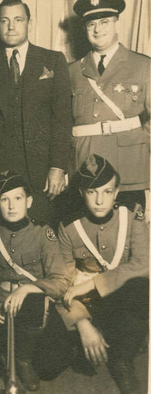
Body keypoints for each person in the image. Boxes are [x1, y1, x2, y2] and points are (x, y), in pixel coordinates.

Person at [0, 0, 72, 224]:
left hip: (41, 172)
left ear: (29, 23)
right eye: (4, 21)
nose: (11, 26)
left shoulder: (52, 61)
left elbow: (62, 120)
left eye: (18, 19)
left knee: (41, 237)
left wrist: (58, 166)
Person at [57, 154, 149, 394]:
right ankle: (94, 337)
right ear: (81, 193)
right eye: (92, 192)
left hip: (121, 296)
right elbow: (62, 281)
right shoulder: (69, 226)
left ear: (117, 192)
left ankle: (122, 359)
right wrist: (81, 322)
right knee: (53, 362)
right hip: (89, 305)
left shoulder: (131, 215)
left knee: (140, 287)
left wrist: (92, 284)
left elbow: (144, 263)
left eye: (107, 192)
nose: (99, 200)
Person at [0, 171, 71, 391]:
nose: (11, 206)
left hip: (34, 308)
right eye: (4, 200)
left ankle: (24, 360)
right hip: (1, 303)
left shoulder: (42, 233)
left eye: (17, 198)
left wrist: (30, 288)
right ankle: (4, 346)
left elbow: (61, 280)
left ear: (29, 201)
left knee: (51, 366)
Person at [71, 0, 150, 210]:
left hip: (128, 168)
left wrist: (137, 140)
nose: (98, 30)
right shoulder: (73, 71)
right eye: (91, 24)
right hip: (86, 168)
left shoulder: (143, 66)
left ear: (116, 24)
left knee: (131, 235)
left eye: (104, 22)